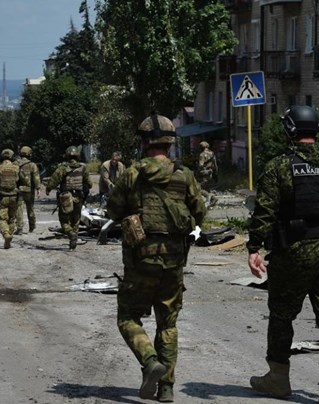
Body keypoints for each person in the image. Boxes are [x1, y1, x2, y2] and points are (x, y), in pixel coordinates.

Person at [247, 105, 319, 404]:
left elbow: (264, 212)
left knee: (282, 317)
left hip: (292, 255)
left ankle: (277, 379)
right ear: (318, 128)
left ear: (290, 130)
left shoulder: (279, 166)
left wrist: (254, 248)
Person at [107, 113, 206, 402]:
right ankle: (166, 388)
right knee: (168, 324)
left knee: (127, 316)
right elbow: (199, 213)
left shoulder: (132, 173)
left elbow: (113, 211)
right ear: (170, 143)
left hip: (141, 260)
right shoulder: (184, 174)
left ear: (143, 142)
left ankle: (150, 361)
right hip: (175, 260)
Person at [46, 146, 92, 251]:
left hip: (66, 198)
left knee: (63, 220)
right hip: (79, 197)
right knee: (76, 220)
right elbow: (89, 184)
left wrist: (48, 189)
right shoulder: (83, 168)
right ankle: (73, 244)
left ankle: (70, 233)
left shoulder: (63, 168)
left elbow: (53, 181)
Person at [0, 149, 20, 249]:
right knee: (12, 218)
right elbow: (22, 181)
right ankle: (10, 235)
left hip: (1, 197)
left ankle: (6, 234)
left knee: (2, 219)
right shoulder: (17, 168)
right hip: (14, 197)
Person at [14, 146, 42, 234]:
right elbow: (36, 178)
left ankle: (19, 228)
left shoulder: (15, 164)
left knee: (19, 209)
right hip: (29, 190)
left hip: (18, 190)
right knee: (30, 208)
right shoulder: (32, 165)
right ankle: (32, 227)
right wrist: (38, 188)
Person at [196, 141, 218, 208]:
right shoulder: (212, 154)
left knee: (198, 188)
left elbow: (200, 165)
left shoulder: (202, 154)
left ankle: (213, 198)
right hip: (210, 173)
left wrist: (197, 172)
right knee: (207, 188)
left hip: (203, 173)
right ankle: (211, 200)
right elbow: (215, 165)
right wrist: (215, 174)